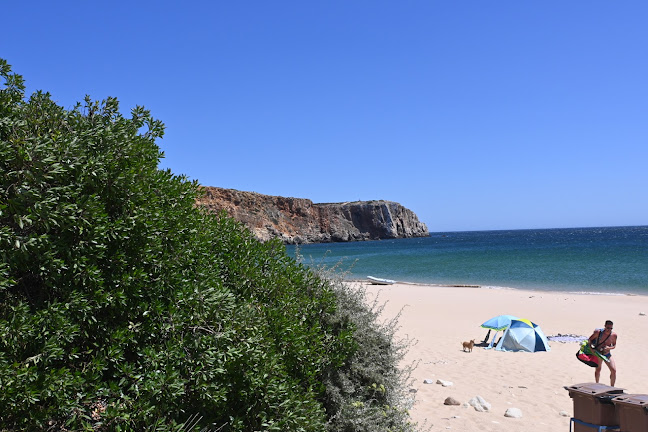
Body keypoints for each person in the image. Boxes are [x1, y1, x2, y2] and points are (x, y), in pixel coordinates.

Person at [588, 320, 617, 386]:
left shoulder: (613, 335)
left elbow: (614, 345)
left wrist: (608, 348)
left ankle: (612, 387)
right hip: (598, 353)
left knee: (613, 370)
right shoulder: (598, 333)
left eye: (611, 328)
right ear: (604, 326)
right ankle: (597, 384)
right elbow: (589, 339)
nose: (609, 330)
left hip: (607, 354)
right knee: (598, 369)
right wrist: (591, 349)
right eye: (607, 328)